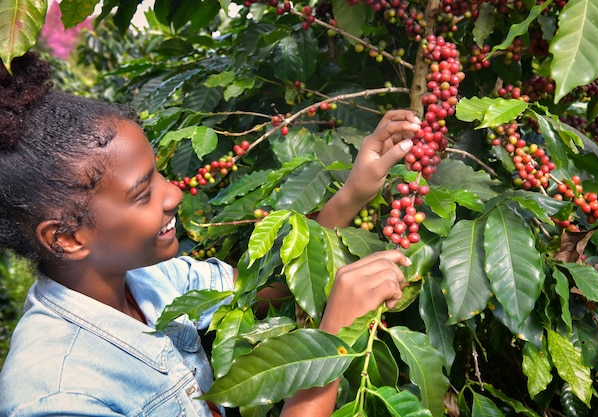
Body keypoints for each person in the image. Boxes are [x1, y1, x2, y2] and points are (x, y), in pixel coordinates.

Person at [0, 51, 421, 417]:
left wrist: (352, 193)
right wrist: (330, 345)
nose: (175, 192)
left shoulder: (150, 280)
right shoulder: (56, 393)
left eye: (160, 172)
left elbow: (264, 289)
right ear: (66, 238)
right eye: (144, 193)